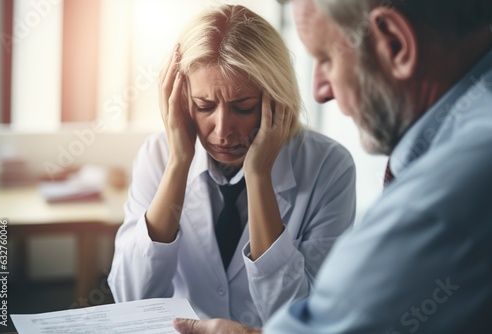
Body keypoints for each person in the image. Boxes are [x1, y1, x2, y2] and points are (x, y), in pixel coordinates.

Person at [172, 0, 492, 333]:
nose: (319, 91)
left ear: (396, 43)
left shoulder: (447, 188)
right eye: (205, 105)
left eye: (326, 59)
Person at [108, 4, 356, 328]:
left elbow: (307, 319)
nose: (222, 130)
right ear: (182, 101)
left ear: (278, 99)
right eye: (204, 106)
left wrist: (259, 176)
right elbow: (130, 299)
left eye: (243, 107)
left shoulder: (329, 168)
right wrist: (179, 164)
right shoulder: (157, 156)